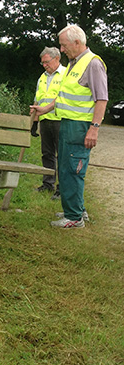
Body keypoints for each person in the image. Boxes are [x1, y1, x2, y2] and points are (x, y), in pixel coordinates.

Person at [31, 25, 108, 229]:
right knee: (66, 168)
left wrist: (94, 128)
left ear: (77, 42)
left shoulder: (92, 64)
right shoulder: (75, 64)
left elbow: (101, 99)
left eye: (64, 46)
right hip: (67, 123)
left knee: (73, 169)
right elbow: (63, 96)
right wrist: (44, 109)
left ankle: (74, 218)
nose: (62, 50)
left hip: (80, 127)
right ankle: (76, 209)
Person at [32, 47, 66, 200]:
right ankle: (47, 184)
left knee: (62, 155)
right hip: (45, 120)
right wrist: (34, 121)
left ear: (57, 58)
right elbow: (37, 99)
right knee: (47, 154)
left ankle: (62, 188)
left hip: (60, 119)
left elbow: (62, 98)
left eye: (47, 62)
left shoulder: (66, 74)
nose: (44, 65)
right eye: (42, 63)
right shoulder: (42, 77)